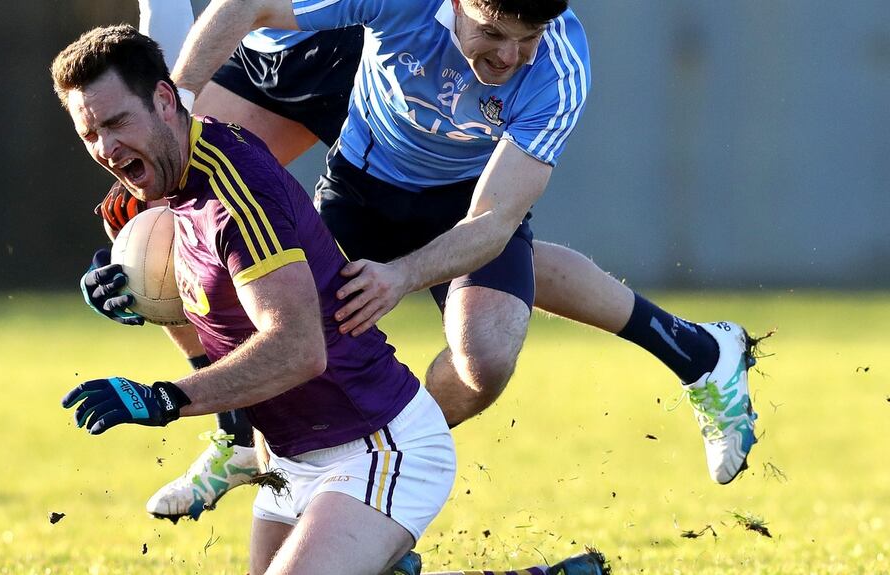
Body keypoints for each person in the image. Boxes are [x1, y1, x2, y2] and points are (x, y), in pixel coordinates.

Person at [90, 0, 762, 522]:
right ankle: (274, 456)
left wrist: (402, 274)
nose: (511, 57)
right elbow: (247, 6)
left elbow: (495, 220)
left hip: (461, 203)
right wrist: (170, 106)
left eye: (527, 38)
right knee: (263, 313)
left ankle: (373, 474)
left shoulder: (559, 68)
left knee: (488, 358)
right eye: (494, 33)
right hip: (359, 182)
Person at [53, 25, 455, 575]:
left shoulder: (234, 191)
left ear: (166, 101)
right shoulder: (163, 183)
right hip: (289, 458)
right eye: (89, 133)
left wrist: (164, 398)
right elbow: (206, 301)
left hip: (376, 446)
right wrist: (133, 292)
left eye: (118, 122)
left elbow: (297, 348)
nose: (105, 148)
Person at [85, 1, 368, 521]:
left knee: (463, 269)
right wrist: (130, 264)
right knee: (140, 220)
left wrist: (175, 99)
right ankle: (239, 431)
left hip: (367, 49)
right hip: (261, 50)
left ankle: (370, 487)